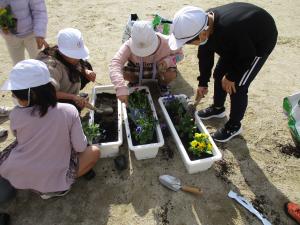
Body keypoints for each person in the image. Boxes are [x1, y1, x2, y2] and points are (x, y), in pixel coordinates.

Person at [168, 3, 278, 142]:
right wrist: (203, 82)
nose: (189, 45)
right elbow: (205, 55)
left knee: (237, 85)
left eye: (189, 42)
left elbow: (247, 56)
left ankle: (234, 126)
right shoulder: (204, 22)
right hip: (239, 41)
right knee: (219, 73)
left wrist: (232, 76)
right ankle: (218, 108)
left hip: (258, 44)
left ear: (202, 33)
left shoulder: (230, 30)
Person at [0, 59, 100, 199]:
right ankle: (54, 190)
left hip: (26, 173)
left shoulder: (16, 113)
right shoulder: (68, 111)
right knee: (94, 152)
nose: (14, 97)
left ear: (32, 95)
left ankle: (36, 183)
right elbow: (81, 147)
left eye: (16, 94)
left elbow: (20, 139)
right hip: (53, 177)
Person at [109, 20, 184, 104]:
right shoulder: (128, 45)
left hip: (159, 70)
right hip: (137, 70)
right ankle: (135, 83)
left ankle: (163, 85)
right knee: (123, 72)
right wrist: (120, 87)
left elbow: (180, 55)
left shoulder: (168, 42)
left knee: (171, 73)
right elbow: (115, 63)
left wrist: (168, 61)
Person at [37, 28, 96, 111]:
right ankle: (71, 104)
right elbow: (48, 92)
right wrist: (73, 97)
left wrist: (85, 71)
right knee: (72, 108)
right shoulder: (51, 66)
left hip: (63, 85)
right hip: (50, 98)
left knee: (87, 65)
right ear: (62, 52)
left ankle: (73, 94)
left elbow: (79, 62)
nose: (78, 58)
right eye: (74, 55)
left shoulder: (66, 55)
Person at [0, 0, 48, 65]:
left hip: (32, 35)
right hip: (11, 37)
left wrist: (39, 34)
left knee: (38, 63)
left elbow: (39, 11)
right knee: (18, 65)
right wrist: (2, 26)